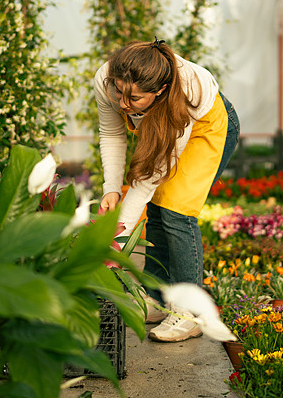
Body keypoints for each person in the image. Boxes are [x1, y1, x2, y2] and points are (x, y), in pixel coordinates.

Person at [95, 38, 240, 342]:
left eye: (134, 98)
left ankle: (190, 313)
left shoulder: (185, 91)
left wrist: (117, 237)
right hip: (168, 126)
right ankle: (157, 299)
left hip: (207, 125)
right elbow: (112, 134)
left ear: (159, 91)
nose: (123, 103)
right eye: (119, 91)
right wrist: (111, 189)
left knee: (175, 209)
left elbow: (151, 176)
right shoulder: (107, 78)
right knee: (156, 208)